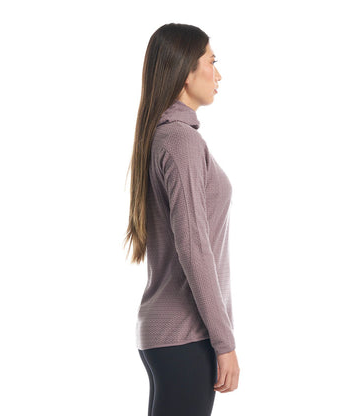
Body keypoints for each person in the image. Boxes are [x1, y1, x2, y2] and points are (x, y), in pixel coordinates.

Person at [124, 23, 240, 416]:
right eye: (211, 62)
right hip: (185, 336)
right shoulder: (179, 139)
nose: (218, 74)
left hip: (170, 337)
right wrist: (224, 342)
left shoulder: (165, 136)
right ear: (186, 71)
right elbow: (193, 245)